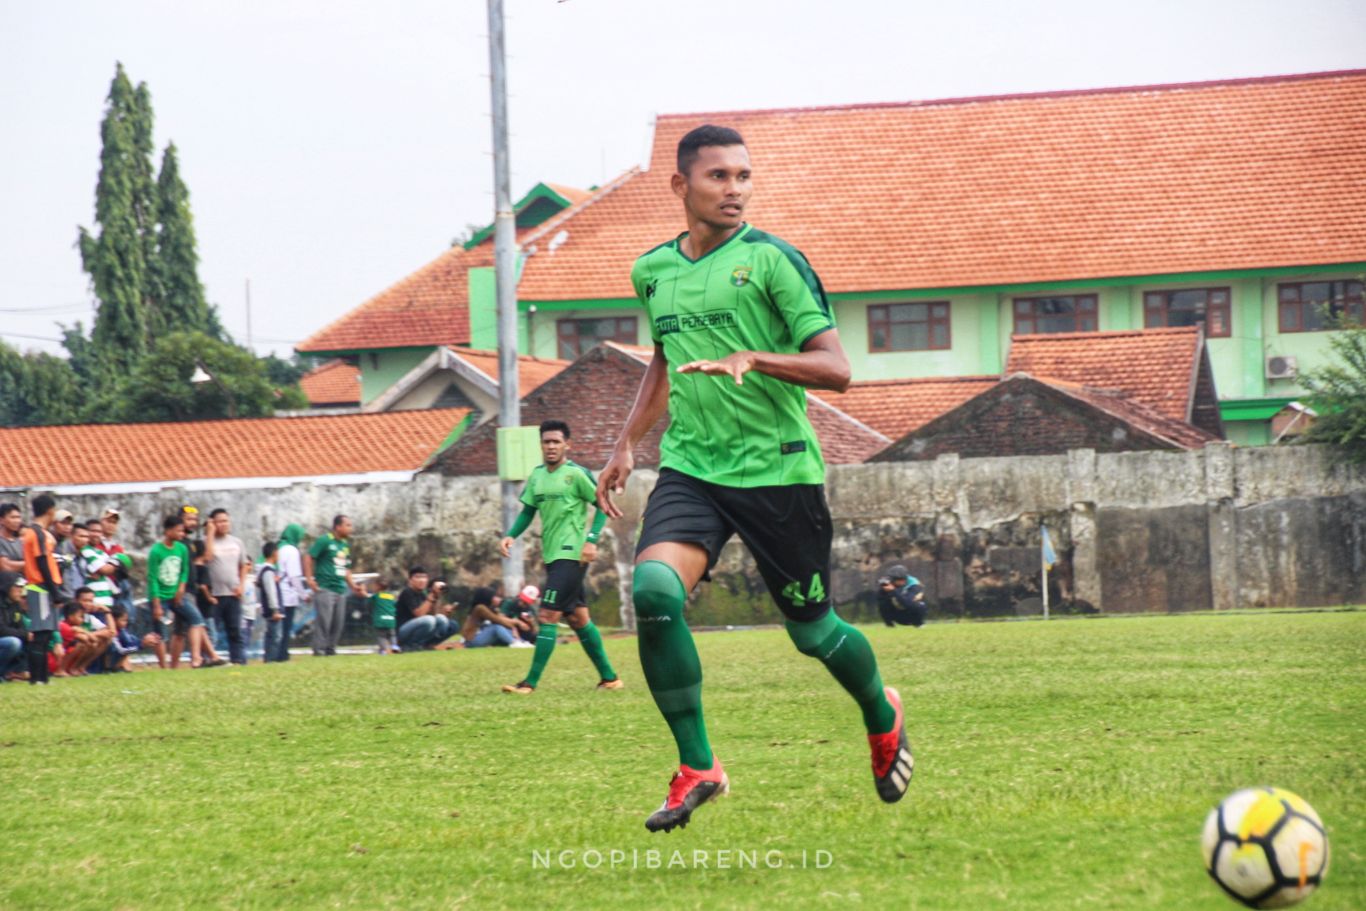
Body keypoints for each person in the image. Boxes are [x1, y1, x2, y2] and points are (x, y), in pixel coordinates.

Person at [595, 125, 913, 832]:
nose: (734, 189)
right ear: (681, 186)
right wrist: (626, 443)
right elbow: (663, 359)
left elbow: (837, 368)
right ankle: (698, 764)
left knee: (813, 631)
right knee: (652, 590)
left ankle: (879, 711)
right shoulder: (652, 271)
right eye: (718, 177)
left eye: (743, 176)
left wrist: (756, 357)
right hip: (692, 468)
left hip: (777, 472)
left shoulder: (773, 260)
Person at [499, 420, 621, 694]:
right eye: (546, 442)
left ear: (568, 444)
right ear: (541, 445)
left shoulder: (577, 474)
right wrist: (511, 535)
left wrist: (591, 541)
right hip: (552, 556)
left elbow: (602, 505)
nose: (551, 446)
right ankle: (610, 678)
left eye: (556, 441)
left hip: (572, 554)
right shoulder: (537, 476)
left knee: (548, 614)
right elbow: (528, 510)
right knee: (578, 619)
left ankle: (529, 684)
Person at [148, 514, 222, 670]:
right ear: (168, 531)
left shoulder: (181, 548)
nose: (181, 534)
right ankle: (164, 668)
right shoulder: (156, 551)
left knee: (196, 620)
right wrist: (156, 604)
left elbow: (184, 570)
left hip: (177, 595)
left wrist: (181, 588)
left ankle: (196, 658)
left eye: (182, 531)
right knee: (160, 633)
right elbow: (153, 578)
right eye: (178, 531)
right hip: (160, 596)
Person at [20, 494, 63, 685]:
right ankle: (37, 678)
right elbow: (42, 561)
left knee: (45, 635)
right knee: (41, 634)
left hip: (41, 586)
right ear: (50, 510)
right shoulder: (37, 533)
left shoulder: (35, 532)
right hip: (40, 587)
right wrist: (54, 591)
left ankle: (43, 678)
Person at [304, 515, 362, 656]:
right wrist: (309, 578)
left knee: (338, 623)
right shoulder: (325, 540)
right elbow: (308, 557)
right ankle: (319, 650)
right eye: (347, 525)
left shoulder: (344, 545)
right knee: (324, 621)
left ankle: (331, 649)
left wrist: (353, 585)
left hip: (340, 588)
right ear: (338, 527)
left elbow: (346, 568)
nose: (350, 528)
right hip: (325, 588)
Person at [204, 508, 250, 665]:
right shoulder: (207, 542)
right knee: (211, 631)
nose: (224, 524)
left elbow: (244, 565)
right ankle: (209, 660)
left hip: (233, 593)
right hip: (213, 595)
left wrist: (241, 585)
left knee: (235, 631)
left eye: (226, 520)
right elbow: (207, 557)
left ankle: (238, 660)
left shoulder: (237, 542)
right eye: (220, 521)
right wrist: (210, 533)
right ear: (212, 523)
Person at [393, 567, 458, 651]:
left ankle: (428, 645)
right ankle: (410, 645)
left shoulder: (423, 594)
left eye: (424, 577)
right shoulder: (407, 592)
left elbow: (434, 615)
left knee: (452, 625)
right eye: (418, 577)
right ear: (410, 580)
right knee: (429, 620)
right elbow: (419, 614)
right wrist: (431, 595)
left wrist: (437, 597)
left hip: (418, 627)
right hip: (403, 631)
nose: (422, 580)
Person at [274, 524, 309, 662]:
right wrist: (303, 595)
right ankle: (282, 654)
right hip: (287, 595)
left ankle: (275, 653)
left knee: (276, 628)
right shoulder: (291, 550)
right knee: (286, 627)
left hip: (275, 594)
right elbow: (294, 577)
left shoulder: (278, 547)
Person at [460, 584, 533, 648]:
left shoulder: (491, 609)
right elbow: (497, 620)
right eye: (494, 597)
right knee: (496, 627)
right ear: (487, 598)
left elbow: (501, 619)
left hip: (479, 636)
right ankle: (514, 642)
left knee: (501, 626)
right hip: (471, 640)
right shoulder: (480, 608)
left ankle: (521, 642)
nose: (498, 599)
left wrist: (516, 624)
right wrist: (514, 626)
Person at [258, 543, 287, 663]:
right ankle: (270, 659)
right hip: (272, 610)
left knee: (272, 634)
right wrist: (275, 609)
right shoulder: (268, 572)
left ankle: (269, 658)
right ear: (274, 553)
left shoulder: (267, 571)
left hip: (271, 608)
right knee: (275, 636)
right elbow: (271, 591)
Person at [0, 571, 27, 681]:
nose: (20, 590)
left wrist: (26, 635)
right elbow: (1, 630)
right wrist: (24, 634)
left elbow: (20, 626)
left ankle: (17, 672)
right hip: (4, 640)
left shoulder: (15, 605)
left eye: (22, 587)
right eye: (17, 587)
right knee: (13, 643)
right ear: (7, 587)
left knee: (33, 639)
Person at [107, 606, 141, 672]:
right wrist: (141, 645)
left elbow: (129, 644)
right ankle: (109, 667)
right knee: (113, 648)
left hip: (119, 651)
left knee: (132, 640)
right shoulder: (111, 632)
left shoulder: (123, 631)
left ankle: (121, 666)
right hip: (113, 653)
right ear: (114, 620)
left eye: (126, 620)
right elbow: (121, 650)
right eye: (123, 620)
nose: (126, 623)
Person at [369, 579, 397, 654]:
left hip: (380, 620)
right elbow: (395, 605)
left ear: (377, 586)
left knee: (381, 636)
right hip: (391, 620)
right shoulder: (391, 596)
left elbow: (369, 601)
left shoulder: (376, 596)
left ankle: (383, 650)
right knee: (392, 635)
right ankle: (394, 646)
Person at [0, 503, 24, 573]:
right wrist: (30, 564)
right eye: (13, 517)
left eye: (18, 517)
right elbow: (5, 565)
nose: (17, 521)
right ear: (1, 520)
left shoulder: (20, 541)